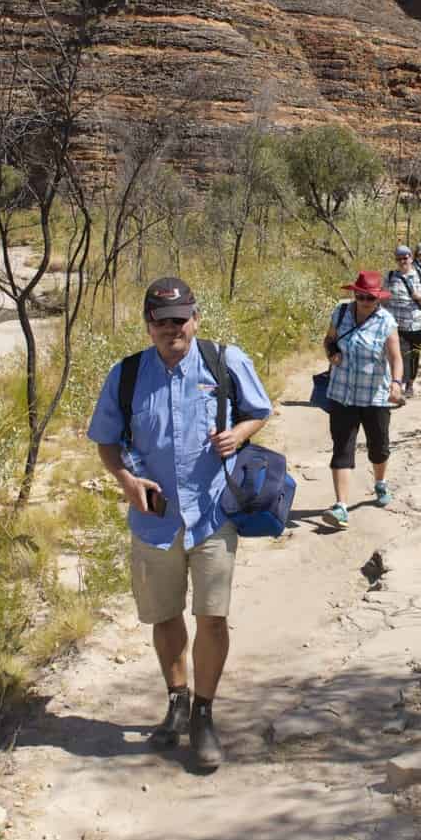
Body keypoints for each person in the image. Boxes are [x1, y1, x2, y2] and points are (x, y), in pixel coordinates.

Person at [87, 276, 273, 770]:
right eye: (162, 320)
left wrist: (239, 433)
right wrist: (125, 479)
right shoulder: (125, 375)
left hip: (213, 515)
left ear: (196, 318)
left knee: (212, 617)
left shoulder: (224, 361)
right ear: (148, 325)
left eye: (181, 318)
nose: (173, 328)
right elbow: (105, 440)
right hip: (155, 521)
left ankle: (204, 716)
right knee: (164, 616)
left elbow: (260, 410)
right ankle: (177, 700)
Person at [321, 270, 405, 528]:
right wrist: (332, 352)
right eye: (360, 296)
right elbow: (329, 339)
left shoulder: (386, 321)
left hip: (374, 396)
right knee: (342, 448)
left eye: (369, 298)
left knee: (378, 447)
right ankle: (341, 506)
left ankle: (380, 483)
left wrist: (396, 383)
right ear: (354, 294)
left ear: (377, 298)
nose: (364, 301)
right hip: (342, 393)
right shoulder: (341, 312)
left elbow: (395, 358)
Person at [386, 243, 421, 397]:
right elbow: (383, 298)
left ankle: (410, 384)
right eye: (399, 258)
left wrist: (420, 297)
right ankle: (397, 384)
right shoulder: (390, 277)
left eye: (405, 257)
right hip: (397, 325)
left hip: (418, 324)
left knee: (414, 356)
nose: (403, 261)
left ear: (411, 257)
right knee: (398, 355)